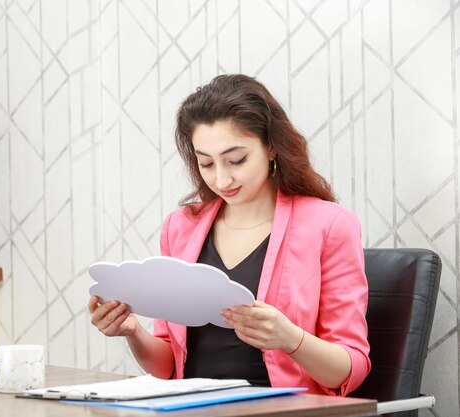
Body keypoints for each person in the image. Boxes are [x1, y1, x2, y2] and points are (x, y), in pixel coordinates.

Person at [88, 74, 370, 396]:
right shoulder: (180, 227)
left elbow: (349, 370)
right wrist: (133, 332)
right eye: (206, 163)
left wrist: (291, 339)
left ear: (272, 148)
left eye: (236, 160)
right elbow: (169, 366)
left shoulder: (330, 225)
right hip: (191, 406)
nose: (222, 180)